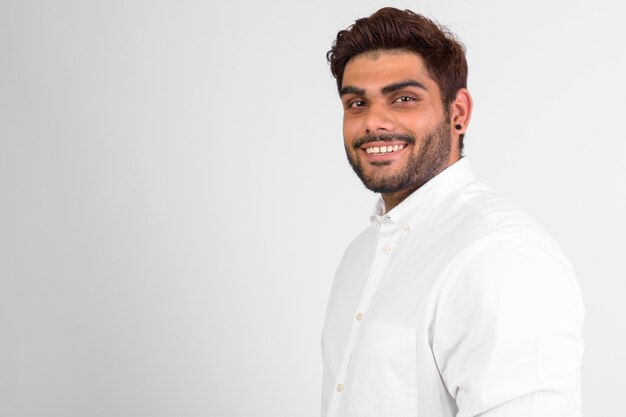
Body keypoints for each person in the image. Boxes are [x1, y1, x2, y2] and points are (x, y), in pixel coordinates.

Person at [321, 7, 584, 417]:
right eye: (357, 102)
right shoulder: (360, 255)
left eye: (404, 98)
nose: (373, 121)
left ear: (457, 113)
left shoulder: (499, 255)